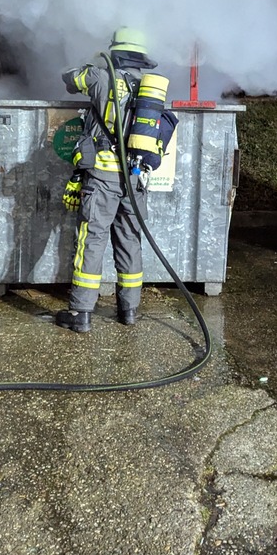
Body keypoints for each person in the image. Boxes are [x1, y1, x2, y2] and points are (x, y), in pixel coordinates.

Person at [56, 28, 176, 333]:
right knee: (129, 241)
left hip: (103, 177)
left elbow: (69, 78)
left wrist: (89, 64)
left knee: (92, 239)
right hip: (135, 180)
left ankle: (81, 312)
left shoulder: (101, 77)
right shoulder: (151, 89)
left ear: (115, 52)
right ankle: (129, 310)